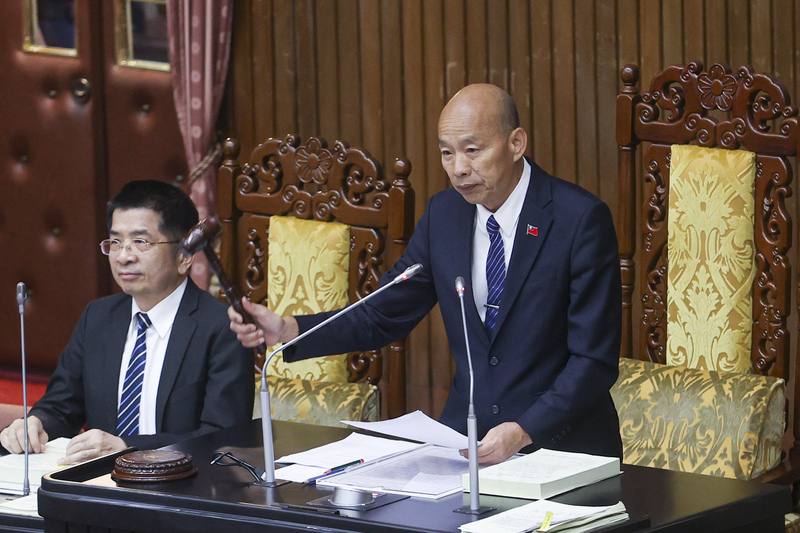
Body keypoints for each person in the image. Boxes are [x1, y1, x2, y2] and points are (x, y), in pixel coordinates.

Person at [229, 84, 621, 464]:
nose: (459, 169)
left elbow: (593, 360)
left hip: (562, 448)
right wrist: (291, 329)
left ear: (516, 143)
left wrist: (524, 429)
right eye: (447, 154)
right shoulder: (445, 215)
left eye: (473, 150)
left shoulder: (578, 219)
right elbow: (383, 312)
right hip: (467, 443)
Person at [0, 180, 253, 463]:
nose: (123, 256)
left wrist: (126, 446)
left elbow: (223, 437)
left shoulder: (222, 327)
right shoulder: (97, 317)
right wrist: (36, 423)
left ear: (184, 256)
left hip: (185, 490)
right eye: (116, 242)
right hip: (98, 487)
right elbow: (61, 407)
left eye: (141, 242)